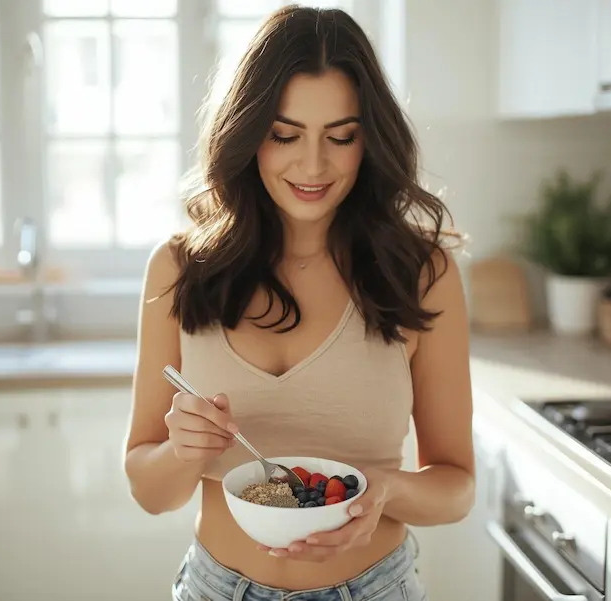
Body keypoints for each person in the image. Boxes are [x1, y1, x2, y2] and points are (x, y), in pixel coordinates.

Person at [123, 5, 475, 600]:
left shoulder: (420, 273)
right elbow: (149, 491)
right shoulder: (180, 269)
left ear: (370, 139)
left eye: (341, 137)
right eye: (284, 135)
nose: (313, 165)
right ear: (247, 131)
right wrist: (183, 451)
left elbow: (457, 487)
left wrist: (387, 489)